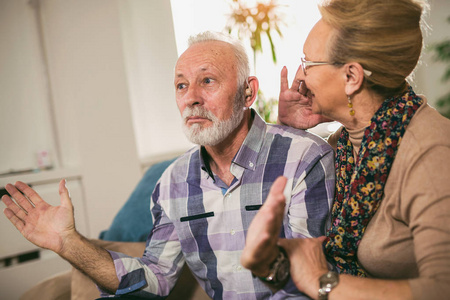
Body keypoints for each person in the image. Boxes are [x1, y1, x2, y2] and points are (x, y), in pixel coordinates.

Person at [2, 31, 335, 299]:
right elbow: (156, 278)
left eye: (207, 81)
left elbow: (309, 280)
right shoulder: (173, 182)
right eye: (180, 85)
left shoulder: (304, 157)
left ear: (248, 93)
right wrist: (68, 243)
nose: (190, 97)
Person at [241, 0, 450, 299]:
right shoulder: (342, 146)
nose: (300, 77)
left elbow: (442, 289)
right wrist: (289, 131)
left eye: (308, 63)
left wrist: (320, 281)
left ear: (351, 77)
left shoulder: (432, 154)